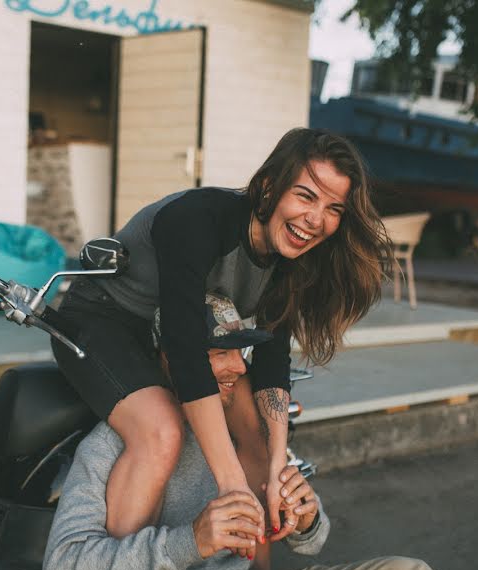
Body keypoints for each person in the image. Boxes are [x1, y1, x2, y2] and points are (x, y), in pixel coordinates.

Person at [51, 128, 390, 548]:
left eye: (333, 207)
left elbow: (271, 357)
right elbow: (185, 347)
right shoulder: (199, 219)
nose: (316, 220)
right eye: (305, 196)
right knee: (161, 429)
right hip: (102, 322)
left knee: (259, 436)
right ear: (269, 187)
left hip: (172, 332)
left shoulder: (291, 255)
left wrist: (276, 465)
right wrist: (232, 484)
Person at [42, 295, 448, 570]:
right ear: (170, 359)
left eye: (240, 352)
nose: (238, 367)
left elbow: (313, 540)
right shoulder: (115, 443)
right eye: (220, 353)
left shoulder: (238, 429)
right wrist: (190, 542)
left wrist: (305, 519)